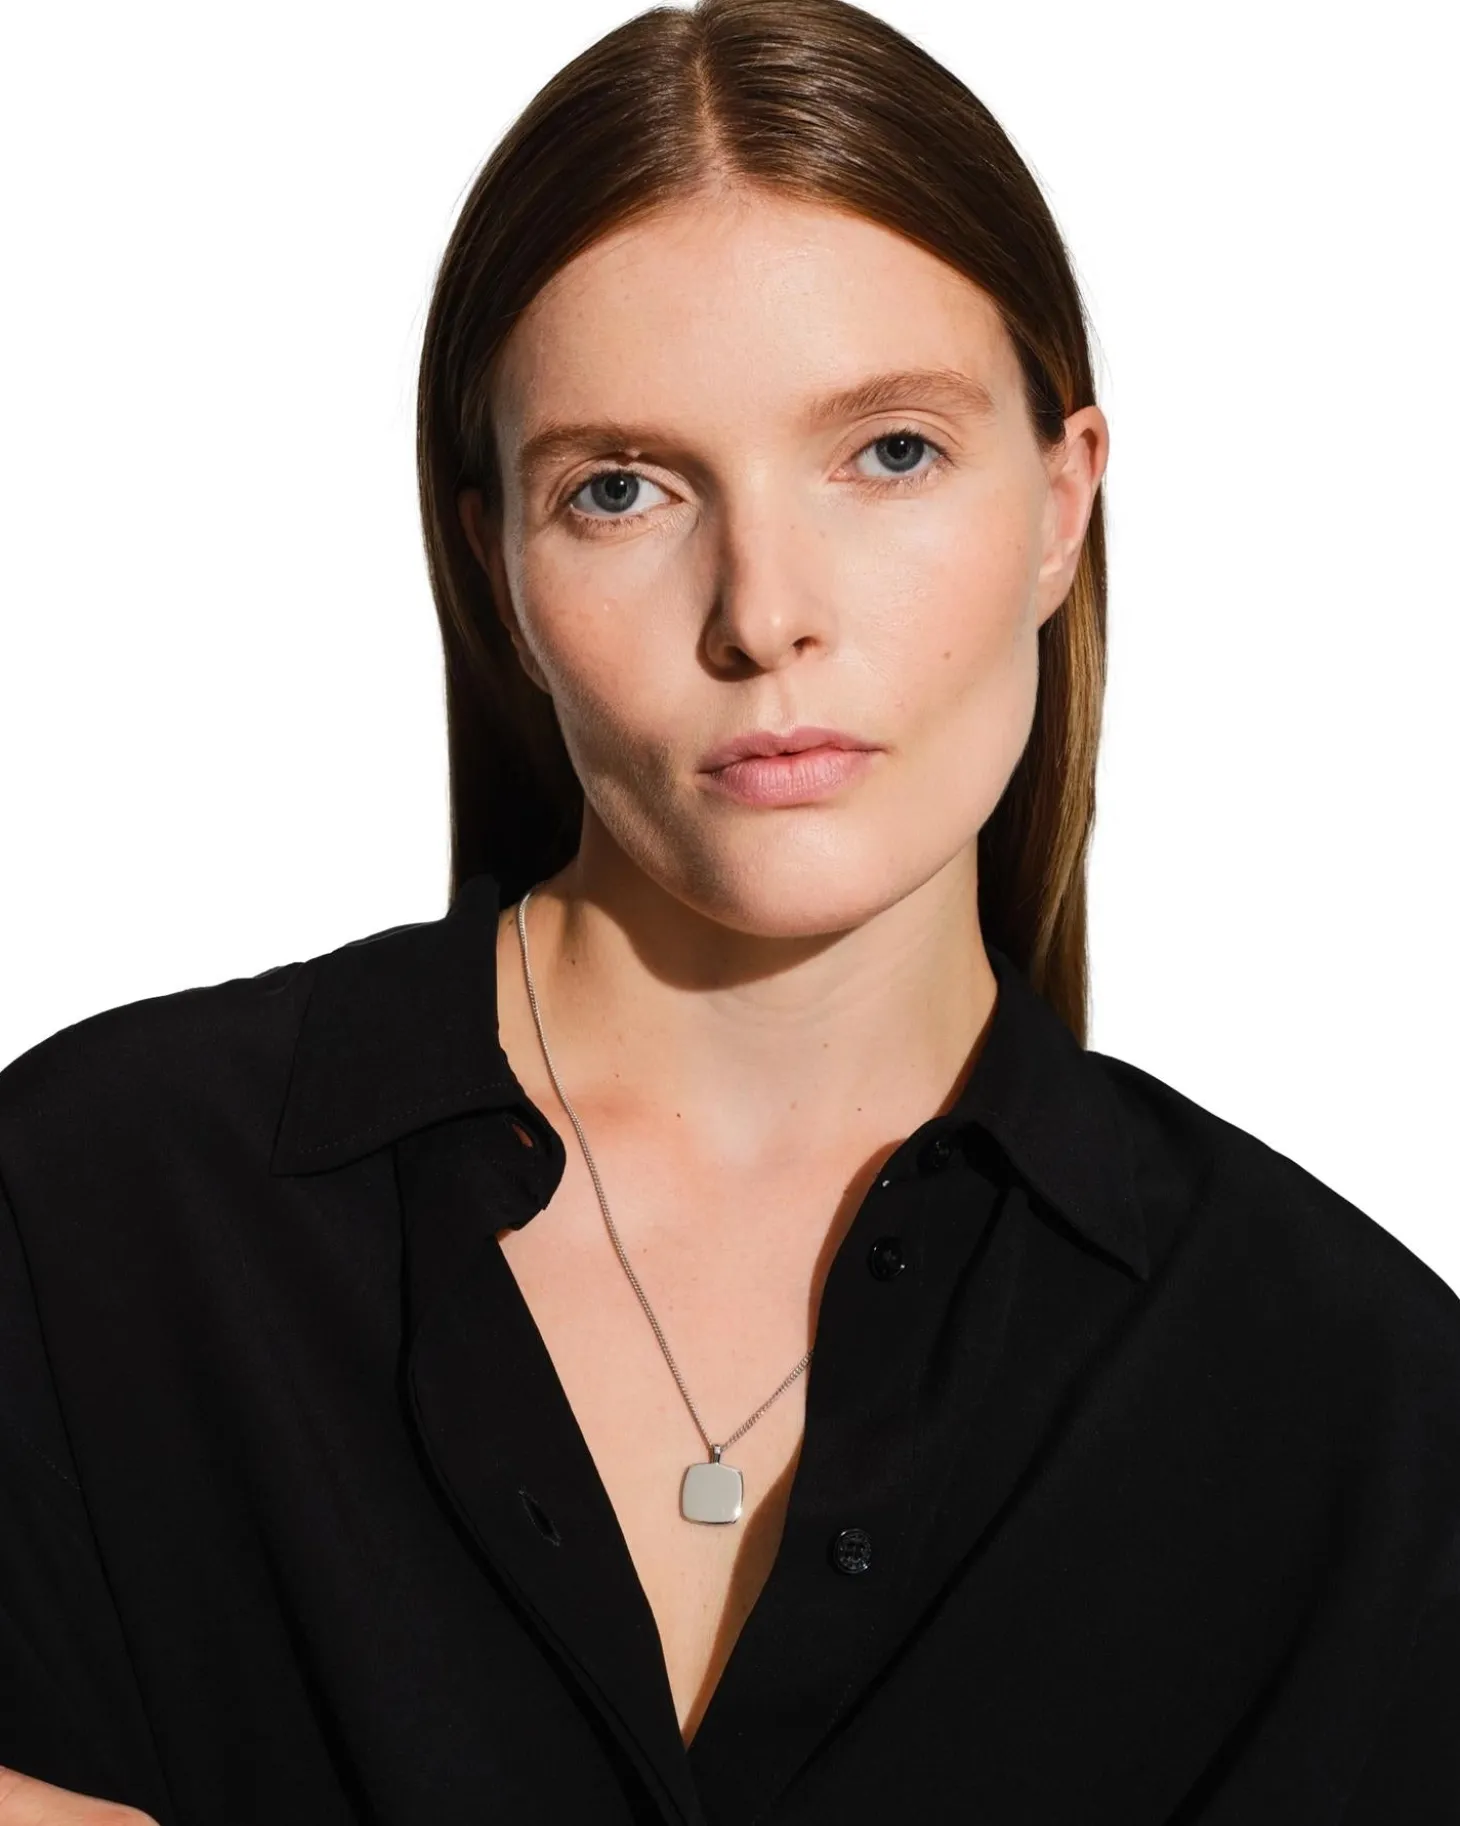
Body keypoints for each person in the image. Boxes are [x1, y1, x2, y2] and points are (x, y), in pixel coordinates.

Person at [2, 0, 1457, 1820]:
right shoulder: (95, 1220)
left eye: (891, 452)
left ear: (1061, 504)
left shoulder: (1355, 1404)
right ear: (497, 566)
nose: (763, 611)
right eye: (620, 490)